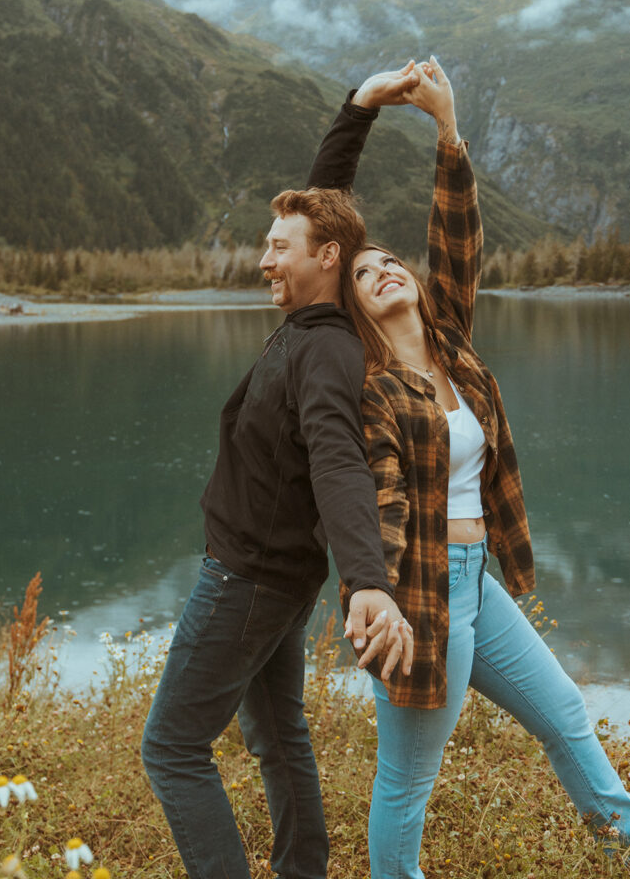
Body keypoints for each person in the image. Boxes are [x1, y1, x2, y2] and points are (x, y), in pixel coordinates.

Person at [308, 57, 630, 877]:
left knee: (564, 714)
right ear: (351, 308)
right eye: (363, 273)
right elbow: (362, 497)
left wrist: (446, 129)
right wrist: (379, 597)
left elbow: (458, 236)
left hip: (477, 579)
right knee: (406, 779)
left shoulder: (453, 348)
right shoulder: (367, 386)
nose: (384, 269)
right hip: (421, 590)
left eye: (390, 261)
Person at [140, 74, 417, 879]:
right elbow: (325, 198)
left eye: (278, 248)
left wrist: (366, 579)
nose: (263, 258)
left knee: (173, 747)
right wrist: (359, 108)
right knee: (276, 733)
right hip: (276, 573)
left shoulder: (326, 353)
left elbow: (339, 462)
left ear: (324, 260)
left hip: (248, 578)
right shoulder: (310, 318)